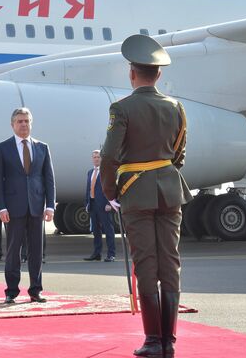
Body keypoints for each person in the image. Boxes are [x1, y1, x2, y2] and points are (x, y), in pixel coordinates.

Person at [100, 34, 192, 358]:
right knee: (171, 265)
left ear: (132, 73)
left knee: (147, 265)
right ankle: (170, 341)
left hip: (135, 194)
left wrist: (111, 191)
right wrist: (163, 173)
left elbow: (110, 155)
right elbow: (179, 154)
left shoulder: (121, 108)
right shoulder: (176, 108)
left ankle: (154, 340)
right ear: (159, 75)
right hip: (171, 190)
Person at [0, 107, 55, 304]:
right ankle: (11, 290)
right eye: (19, 121)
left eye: (27, 121)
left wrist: (50, 206)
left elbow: (49, 179)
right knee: (13, 250)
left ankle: (36, 290)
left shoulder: (42, 147)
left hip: (37, 207)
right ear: (12, 124)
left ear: (31, 123)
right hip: (13, 208)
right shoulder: (3, 148)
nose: (23, 124)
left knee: (36, 250)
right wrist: (1, 207)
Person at [83, 150, 116, 262]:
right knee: (96, 231)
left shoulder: (106, 172)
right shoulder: (90, 172)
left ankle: (111, 254)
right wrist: (87, 203)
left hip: (104, 205)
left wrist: (109, 203)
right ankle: (97, 253)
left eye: (98, 157)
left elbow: (111, 188)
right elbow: (88, 189)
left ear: (102, 159)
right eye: (94, 157)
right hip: (92, 205)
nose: (96, 159)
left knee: (108, 230)